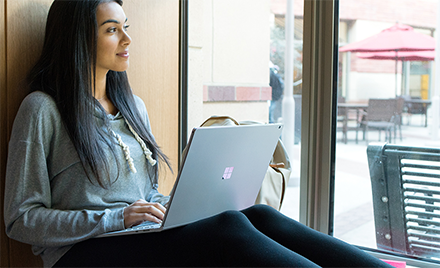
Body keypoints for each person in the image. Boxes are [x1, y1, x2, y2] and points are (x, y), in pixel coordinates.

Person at [3, 0, 394, 267]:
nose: (127, 39)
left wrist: (178, 206)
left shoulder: (133, 106)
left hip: (140, 236)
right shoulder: (43, 109)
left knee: (252, 212)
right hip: (81, 255)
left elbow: (145, 196)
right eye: (111, 30)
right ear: (77, 38)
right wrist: (115, 218)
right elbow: (20, 219)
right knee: (228, 227)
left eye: (126, 27)